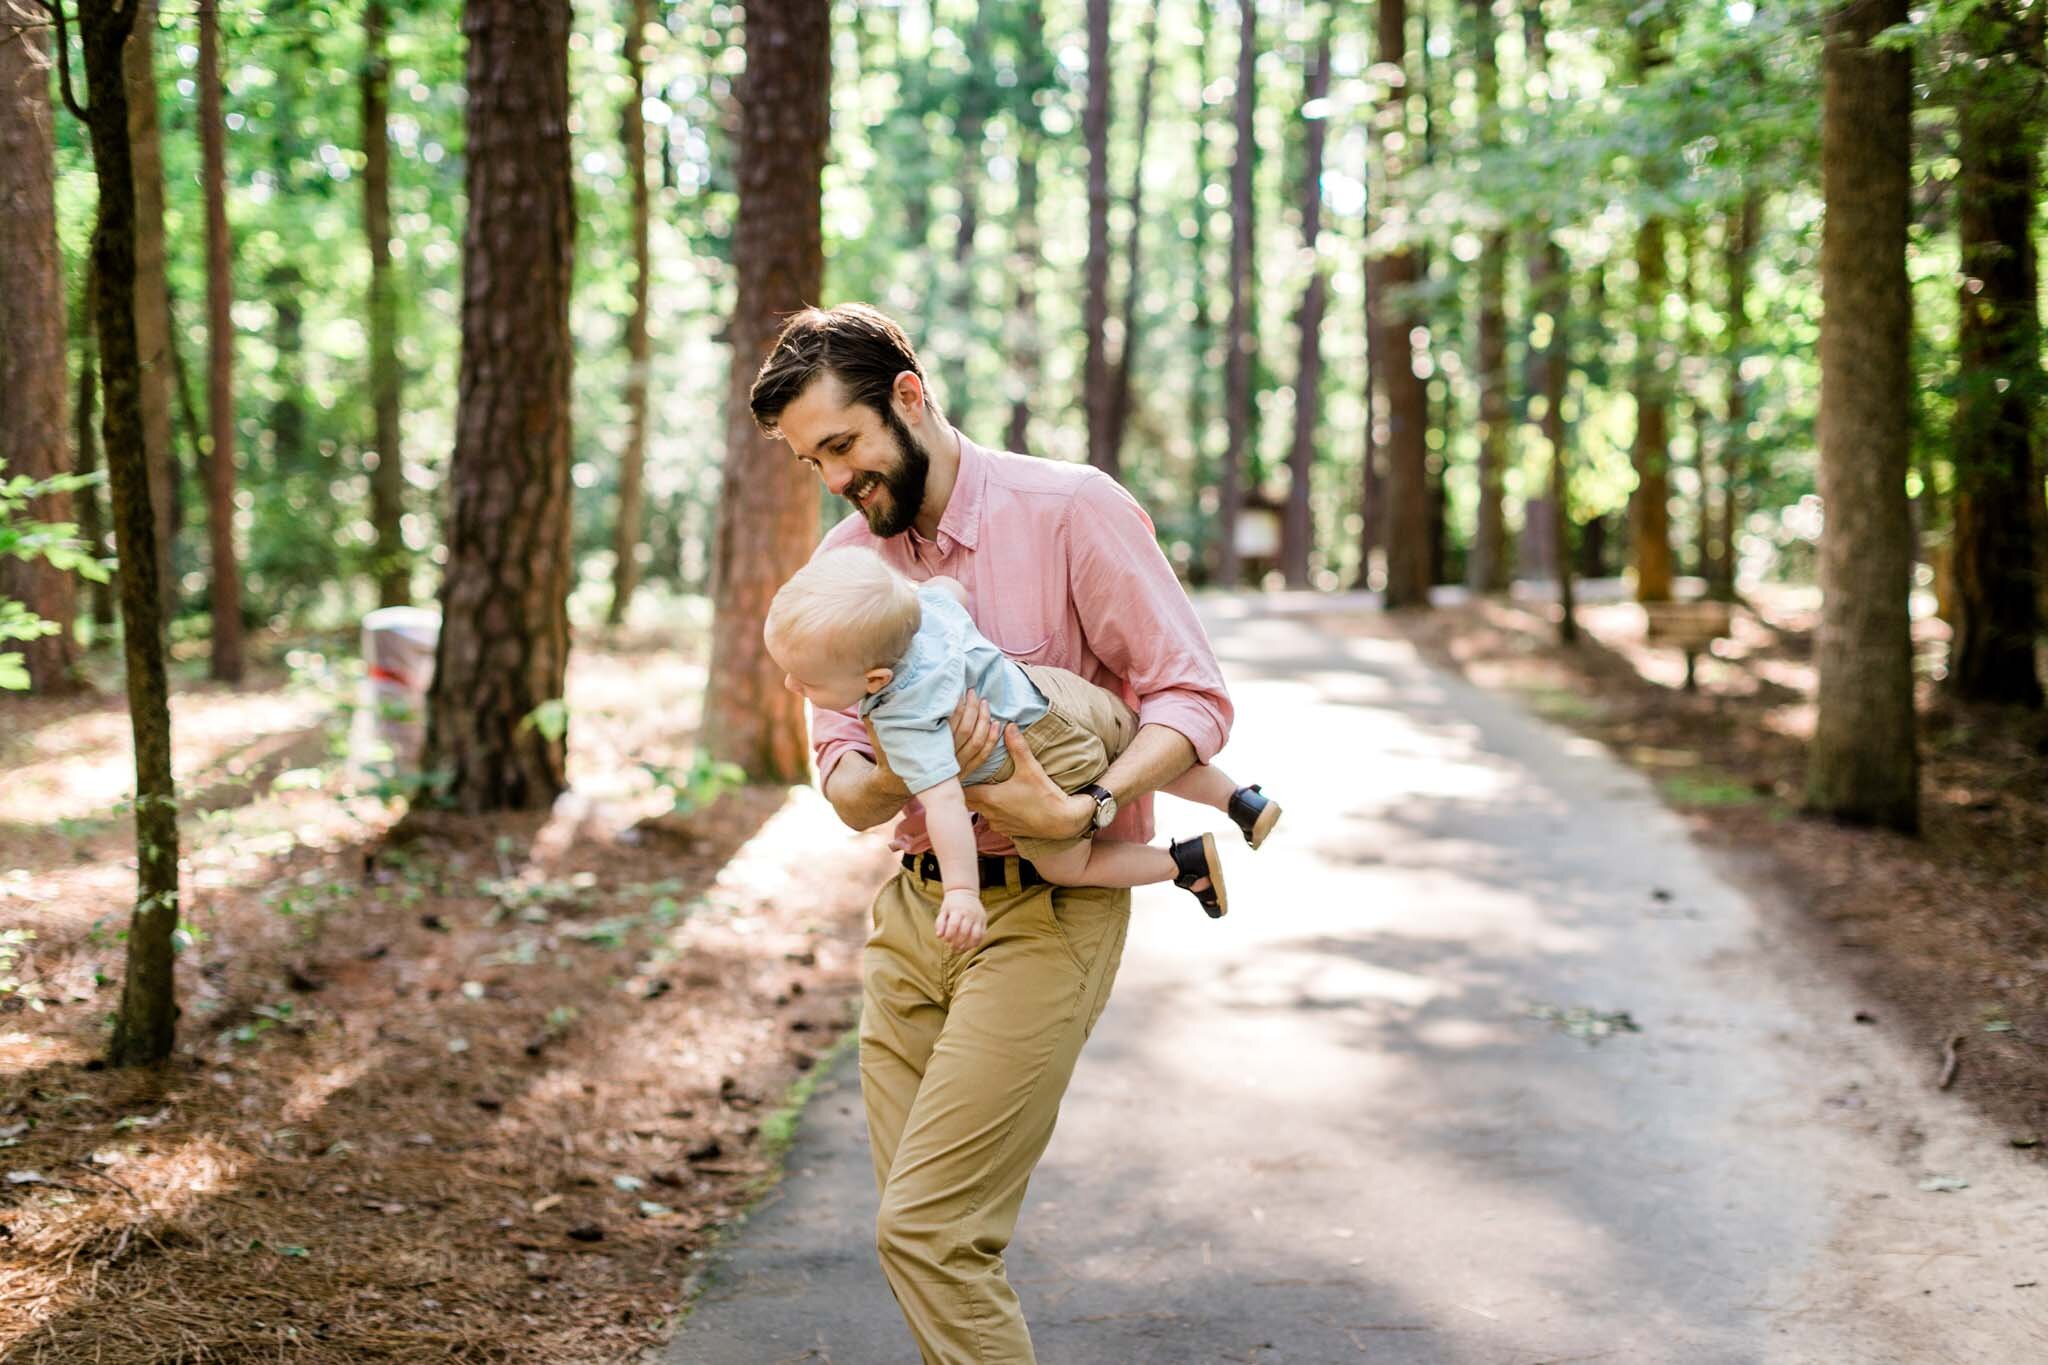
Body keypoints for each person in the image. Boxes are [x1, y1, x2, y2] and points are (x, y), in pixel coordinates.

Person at [748, 301, 1243, 1363]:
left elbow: (1190, 700)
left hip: (1047, 911)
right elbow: (840, 787)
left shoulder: (1069, 510)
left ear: (909, 399)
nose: (832, 478)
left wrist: (1083, 810)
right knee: (934, 1244)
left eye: (840, 443)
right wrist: (911, 750)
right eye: (809, 460)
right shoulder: (846, 566)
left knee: (923, 1233)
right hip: (911, 919)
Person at [763, 544, 1283, 946]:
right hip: (1058, 695)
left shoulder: (902, 718)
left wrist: (964, 893)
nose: (791, 688)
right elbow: (950, 586)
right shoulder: (927, 611)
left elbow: (944, 806)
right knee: (1140, 751)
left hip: (1039, 763)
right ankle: (1240, 800)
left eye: (806, 683)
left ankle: (1183, 864)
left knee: (1067, 866)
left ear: (876, 679)